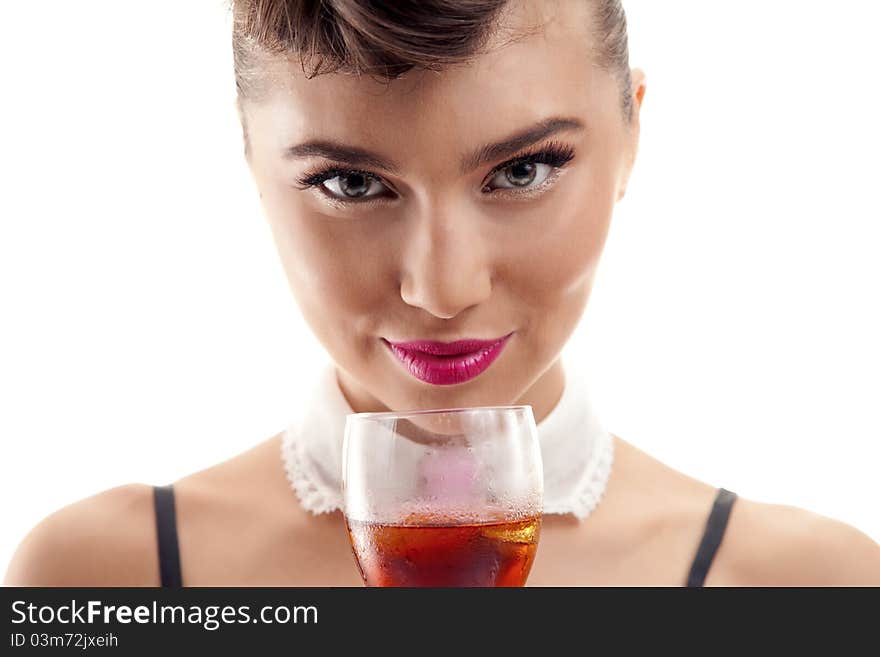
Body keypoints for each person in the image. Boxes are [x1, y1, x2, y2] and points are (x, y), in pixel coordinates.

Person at [5, 0, 880, 587]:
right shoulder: (102, 579)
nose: (442, 287)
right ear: (249, 162)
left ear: (633, 135)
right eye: (350, 183)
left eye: (523, 169)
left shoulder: (810, 588)